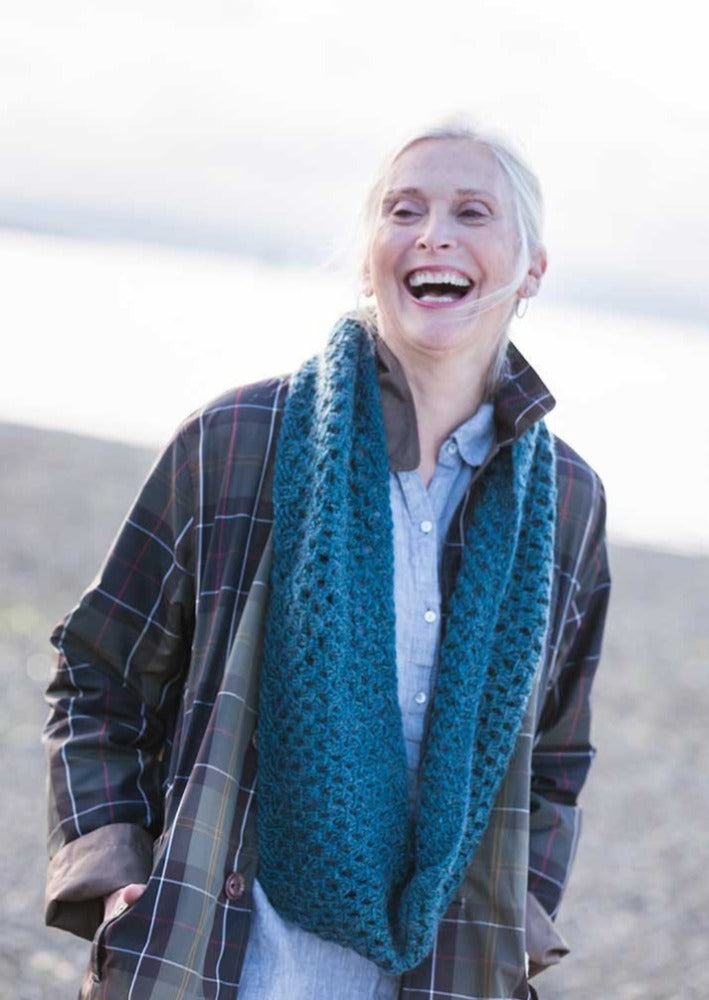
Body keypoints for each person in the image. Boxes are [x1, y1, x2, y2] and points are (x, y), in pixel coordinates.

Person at [43, 121, 611, 1000]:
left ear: (530, 268)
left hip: (440, 968)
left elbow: (556, 758)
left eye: (472, 212)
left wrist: (519, 915)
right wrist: (116, 874)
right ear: (368, 256)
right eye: (403, 210)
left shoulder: (566, 501)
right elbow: (99, 676)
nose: (433, 234)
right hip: (218, 959)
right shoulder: (239, 440)